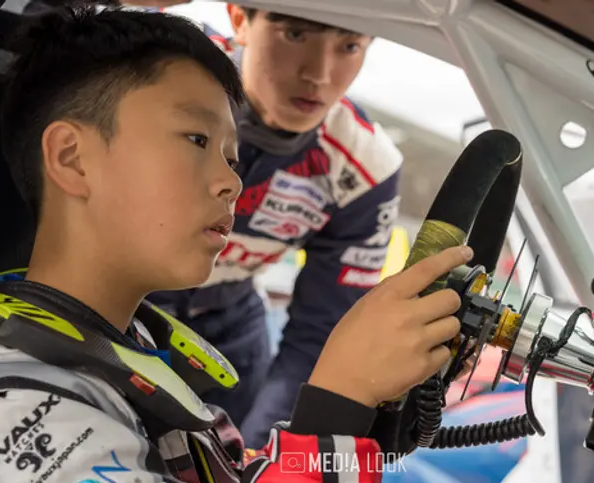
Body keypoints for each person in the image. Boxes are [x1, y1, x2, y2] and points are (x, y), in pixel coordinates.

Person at [0, 5, 469, 483]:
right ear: (72, 157)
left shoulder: (140, 352)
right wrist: (338, 404)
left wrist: (339, 428)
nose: (232, 182)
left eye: (232, 156)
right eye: (197, 140)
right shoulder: (17, 415)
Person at [136, 3, 404, 449]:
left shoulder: (366, 167)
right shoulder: (155, 66)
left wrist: (265, 453)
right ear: (239, 20)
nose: (318, 74)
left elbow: (320, 336)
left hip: (230, 329)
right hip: (119, 299)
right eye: (295, 35)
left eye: (349, 46)